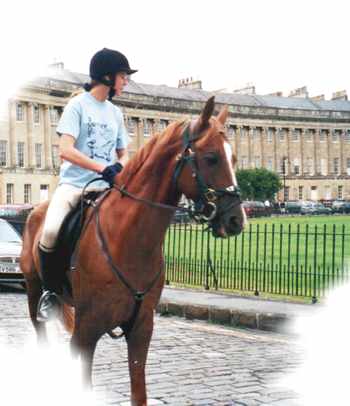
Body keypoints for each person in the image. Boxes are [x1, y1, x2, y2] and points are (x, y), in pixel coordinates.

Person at [36, 48, 137, 322]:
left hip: (107, 188)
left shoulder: (116, 113)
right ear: (106, 76)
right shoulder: (77, 106)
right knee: (50, 231)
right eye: (123, 75)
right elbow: (65, 150)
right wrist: (102, 167)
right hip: (75, 186)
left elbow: (123, 152)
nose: (126, 81)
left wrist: (121, 167)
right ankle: (50, 292)